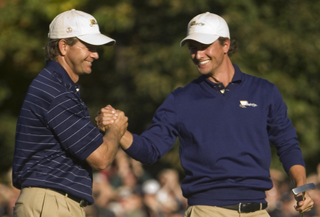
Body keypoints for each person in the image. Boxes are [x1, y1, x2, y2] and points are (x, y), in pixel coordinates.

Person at [96, 12, 314, 216]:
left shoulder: (264, 91)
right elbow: (150, 150)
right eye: (193, 47)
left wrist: (301, 187)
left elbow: (287, 144)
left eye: (204, 46)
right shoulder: (180, 100)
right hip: (207, 210)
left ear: (225, 44)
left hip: (258, 210)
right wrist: (119, 131)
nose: (198, 55)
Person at [12, 9, 128, 217]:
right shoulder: (57, 93)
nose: (95, 54)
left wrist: (103, 132)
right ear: (64, 47)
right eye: (88, 47)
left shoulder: (56, 87)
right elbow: (101, 159)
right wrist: (116, 129)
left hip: (51, 202)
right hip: (51, 203)